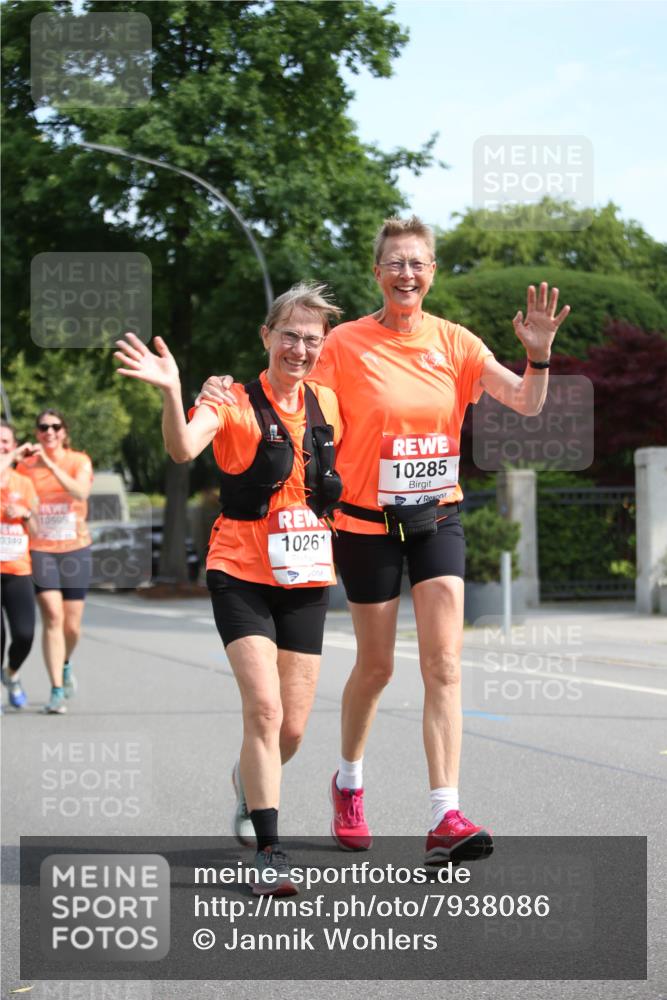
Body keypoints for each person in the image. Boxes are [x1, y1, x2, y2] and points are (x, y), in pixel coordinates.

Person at [198, 216, 570, 865]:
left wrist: (536, 353)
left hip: (436, 518)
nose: (406, 274)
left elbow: (527, 402)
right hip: (364, 525)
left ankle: (444, 813)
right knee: (376, 667)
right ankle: (348, 781)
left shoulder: (454, 343)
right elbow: (287, 387)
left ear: (431, 272)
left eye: (417, 263)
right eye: (394, 263)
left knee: (444, 664)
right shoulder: (343, 343)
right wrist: (219, 396)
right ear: (377, 272)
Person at [115, 282, 343, 895]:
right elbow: (183, 445)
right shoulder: (234, 402)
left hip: (306, 578)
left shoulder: (329, 402)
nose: (299, 348)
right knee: (264, 710)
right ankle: (270, 851)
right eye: (289, 335)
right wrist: (172, 391)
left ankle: (248, 781)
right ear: (267, 336)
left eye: (312, 339)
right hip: (239, 570)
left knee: (292, 728)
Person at [16, 410, 94, 714]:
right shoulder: (25, 467)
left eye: (55, 426)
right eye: (43, 427)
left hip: (75, 548)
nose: (49, 431)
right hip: (41, 548)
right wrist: (12, 455)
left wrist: (48, 463)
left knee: (72, 625)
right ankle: (56, 690)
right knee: (52, 614)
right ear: (36, 433)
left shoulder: (78, 461)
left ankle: (64, 663)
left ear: (64, 432)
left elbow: (80, 491)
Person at [1, 421, 38, 709]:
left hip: (18, 570)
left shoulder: (24, 483)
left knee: (24, 634)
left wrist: (25, 513)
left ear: (13, 445)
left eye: (5, 442)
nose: (2, 447)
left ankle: (11, 674)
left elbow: (37, 529)